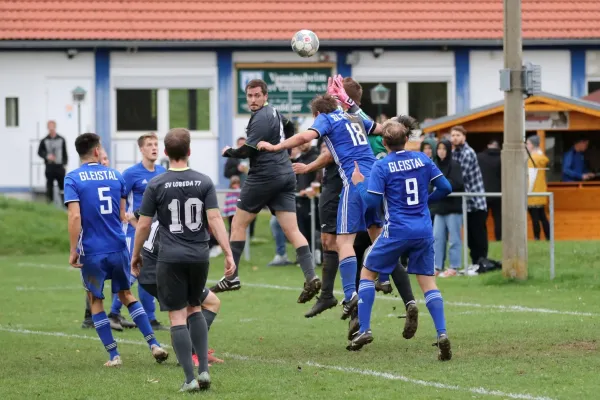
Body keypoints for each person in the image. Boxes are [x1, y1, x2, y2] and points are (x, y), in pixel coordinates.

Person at [258, 92, 382, 321]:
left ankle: (350, 294)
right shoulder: (352, 116)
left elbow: (305, 137)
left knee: (343, 241)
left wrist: (277, 147)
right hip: (376, 179)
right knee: (377, 234)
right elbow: (382, 130)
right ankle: (382, 277)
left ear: (317, 114)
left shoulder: (326, 118)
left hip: (354, 182)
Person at [132, 128, 234, 392]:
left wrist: (135, 255)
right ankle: (204, 372)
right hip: (199, 256)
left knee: (178, 317)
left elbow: (143, 225)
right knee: (196, 308)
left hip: (171, 257)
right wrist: (228, 251)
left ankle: (189, 379)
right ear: (189, 152)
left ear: (165, 153)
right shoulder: (204, 181)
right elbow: (214, 220)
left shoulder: (156, 184)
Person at [348, 119, 453, 362]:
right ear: (407, 139)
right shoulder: (424, 159)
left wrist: (359, 184)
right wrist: (426, 201)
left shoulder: (382, 165)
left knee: (367, 273)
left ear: (384, 143)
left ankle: (364, 329)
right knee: (428, 284)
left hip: (396, 230)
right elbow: (445, 187)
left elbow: (373, 203)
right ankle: (442, 333)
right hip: (424, 230)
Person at [211, 79, 321, 305]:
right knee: (292, 229)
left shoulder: (260, 118)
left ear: (265, 95)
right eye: (249, 96)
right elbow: (290, 129)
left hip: (264, 176)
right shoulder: (276, 113)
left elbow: (247, 150)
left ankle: (231, 277)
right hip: (286, 176)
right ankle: (311, 276)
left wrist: (228, 151)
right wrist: (286, 149)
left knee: (238, 224)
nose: (252, 100)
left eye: (256, 96)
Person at [64, 132, 168, 367]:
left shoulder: (72, 178)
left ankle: (114, 355)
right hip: (119, 246)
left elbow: (75, 216)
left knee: (96, 299)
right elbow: (123, 215)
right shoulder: (115, 175)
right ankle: (154, 344)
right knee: (126, 294)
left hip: (92, 250)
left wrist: (73, 249)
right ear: (98, 151)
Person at [128, 209, 224, 367]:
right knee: (200, 306)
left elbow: (132, 217)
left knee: (187, 309)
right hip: (161, 271)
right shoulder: (179, 216)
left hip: (147, 271)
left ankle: (194, 352)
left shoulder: (158, 205)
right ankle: (190, 354)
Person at [109, 132, 167, 331]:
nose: (154, 147)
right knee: (133, 272)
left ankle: (150, 318)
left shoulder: (162, 171)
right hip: (134, 232)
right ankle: (113, 313)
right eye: (149, 144)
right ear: (141, 149)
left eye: (156, 144)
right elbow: (121, 209)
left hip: (155, 233)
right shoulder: (131, 174)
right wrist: (137, 227)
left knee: (148, 274)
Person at [81, 149, 122, 330]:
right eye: (102, 158)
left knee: (121, 282)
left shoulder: (113, 179)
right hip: (95, 243)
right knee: (96, 286)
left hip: (112, 240)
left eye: (107, 158)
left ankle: (115, 314)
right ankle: (91, 315)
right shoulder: (83, 180)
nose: (105, 161)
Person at [450, 126, 488, 266]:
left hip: (475, 201)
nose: (455, 138)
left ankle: (481, 261)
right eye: (453, 135)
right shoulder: (454, 153)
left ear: (464, 137)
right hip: (465, 202)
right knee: (470, 236)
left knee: (478, 234)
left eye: (458, 135)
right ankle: (475, 262)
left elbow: (461, 176)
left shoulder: (468, 152)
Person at [431, 140, 464, 277]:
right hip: (439, 208)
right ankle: (437, 266)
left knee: (454, 239)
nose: (441, 151)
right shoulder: (434, 165)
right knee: (437, 238)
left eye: (444, 149)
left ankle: (454, 267)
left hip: (453, 208)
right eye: (439, 149)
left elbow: (457, 183)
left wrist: (440, 184)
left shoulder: (455, 165)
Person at [526, 135, 551, 240]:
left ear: (532, 145)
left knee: (535, 218)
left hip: (532, 193)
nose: (526, 146)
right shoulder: (541, 158)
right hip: (541, 191)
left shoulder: (532, 159)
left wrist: (527, 192)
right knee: (543, 217)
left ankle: (537, 237)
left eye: (527, 143)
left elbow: (531, 177)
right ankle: (548, 237)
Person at [38, 120, 68, 204]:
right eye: (49, 127)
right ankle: (49, 204)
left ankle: (64, 204)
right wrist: (47, 156)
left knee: (62, 186)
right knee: (49, 186)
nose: (51, 128)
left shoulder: (61, 139)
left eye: (52, 126)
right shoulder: (44, 140)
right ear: (47, 128)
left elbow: (65, 152)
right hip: (49, 166)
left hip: (59, 166)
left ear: (55, 127)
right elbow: (39, 152)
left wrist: (65, 164)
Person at [477, 139, 502, 241]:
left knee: (482, 219)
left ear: (488, 145)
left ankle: (483, 239)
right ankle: (499, 239)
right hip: (499, 193)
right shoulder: (503, 157)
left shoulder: (479, 157)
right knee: (498, 218)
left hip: (484, 193)